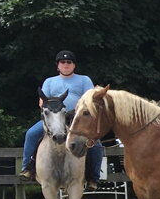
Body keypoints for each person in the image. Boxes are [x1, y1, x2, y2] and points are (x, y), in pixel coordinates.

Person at [20, 51, 102, 188]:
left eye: (69, 62)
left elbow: (90, 99)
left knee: (96, 145)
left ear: (74, 65)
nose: (66, 65)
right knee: (31, 133)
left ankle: (94, 177)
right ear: (58, 65)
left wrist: (76, 110)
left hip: (76, 119)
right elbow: (42, 101)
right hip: (53, 118)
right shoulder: (49, 81)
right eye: (62, 62)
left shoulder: (84, 80)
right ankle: (27, 168)